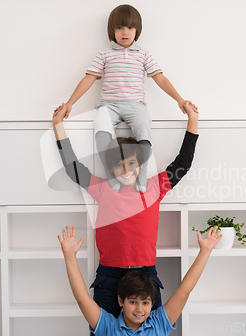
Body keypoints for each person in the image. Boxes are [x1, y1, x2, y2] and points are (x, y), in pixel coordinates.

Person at [52, 99, 199, 318]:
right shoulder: (102, 189)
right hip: (110, 276)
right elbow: (73, 168)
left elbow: (183, 163)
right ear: (111, 167)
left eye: (131, 163)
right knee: (102, 330)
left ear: (140, 164)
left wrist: (193, 120)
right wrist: (58, 125)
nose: (126, 169)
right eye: (119, 164)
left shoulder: (154, 187)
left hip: (145, 274)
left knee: (152, 332)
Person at [53, 4, 196, 192]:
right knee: (101, 131)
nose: (124, 32)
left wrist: (179, 99)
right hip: (109, 106)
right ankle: (112, 175)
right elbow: (89, 79)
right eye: (119, 27)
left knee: (144, 131)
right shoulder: (104, 54)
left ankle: (141, 175)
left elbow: (160, 78)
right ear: (112, 30)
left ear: (137, 30)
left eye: (129, 27)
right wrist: (70, 103)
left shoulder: (143, 54)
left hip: (135, 105)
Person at [58, 225, 222, 335]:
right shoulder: (109, 327)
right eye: (133, 302)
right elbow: (82, 298)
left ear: (152, 304)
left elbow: (185, 290)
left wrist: (205, 251)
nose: (139, 309)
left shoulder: (159, 323)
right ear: (121, 301)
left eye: (145, 303)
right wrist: (69, 256)